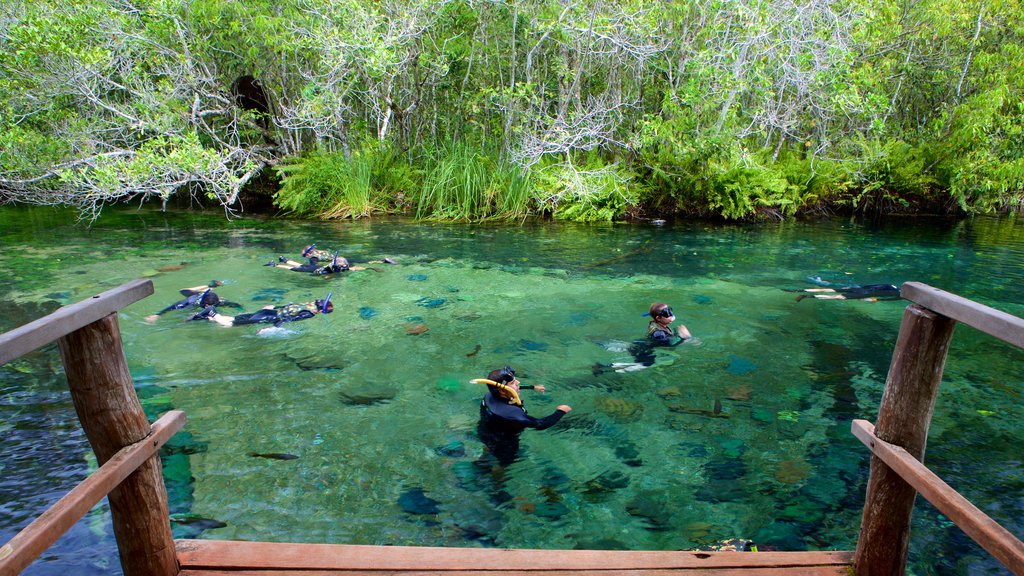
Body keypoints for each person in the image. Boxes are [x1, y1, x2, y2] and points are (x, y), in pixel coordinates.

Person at [475, 366, 571, 466]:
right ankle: (498, 479)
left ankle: (485, 455)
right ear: (502, 391)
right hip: (504, 442)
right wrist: (561, 411)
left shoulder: (489, 396)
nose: (518, 382)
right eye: (513, 383)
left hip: (484, 431)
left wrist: (532, 387)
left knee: (489, 446)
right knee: (503, 463)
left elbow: (508, 390)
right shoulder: (513, 414)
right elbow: (540, 424)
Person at [594, 302, 692, 374]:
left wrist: (676, 334)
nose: (670, 315)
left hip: (640, 344)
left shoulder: (657, 324)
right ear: (658, 318)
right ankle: (603, 367)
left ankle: (603, 362)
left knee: (625, 349)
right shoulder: (659, 333)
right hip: (642, 349)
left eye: (670, 311)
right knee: (644, 365)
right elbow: (667, 344)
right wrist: (682, 337)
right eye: (667, 314)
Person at [190, 293, 333, 327]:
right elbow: (289, 318)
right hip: (267, 318)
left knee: (234, 319)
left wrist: (273, 307)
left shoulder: (305, 304)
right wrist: (273, 328)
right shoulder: (309, 314)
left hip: (266, 312)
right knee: (229, 325)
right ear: (321, 311)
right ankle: (211, 312)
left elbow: (287, 308)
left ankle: (206, 317)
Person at [144, 288, 227, 323]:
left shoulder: (214, 300)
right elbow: (173, 307)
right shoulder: (189, 302)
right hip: (192, 303)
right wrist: (157, 315)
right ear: (207, 305)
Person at [793, 283, 901, 302]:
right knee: (834, 297)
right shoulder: (900, 295)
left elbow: (873, 286)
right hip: (863, 294)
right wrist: (872, 299)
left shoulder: (891, 285)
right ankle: (806, 296)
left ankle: (799, 290)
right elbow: (885, 299)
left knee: (828, 289)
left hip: (858, 288)